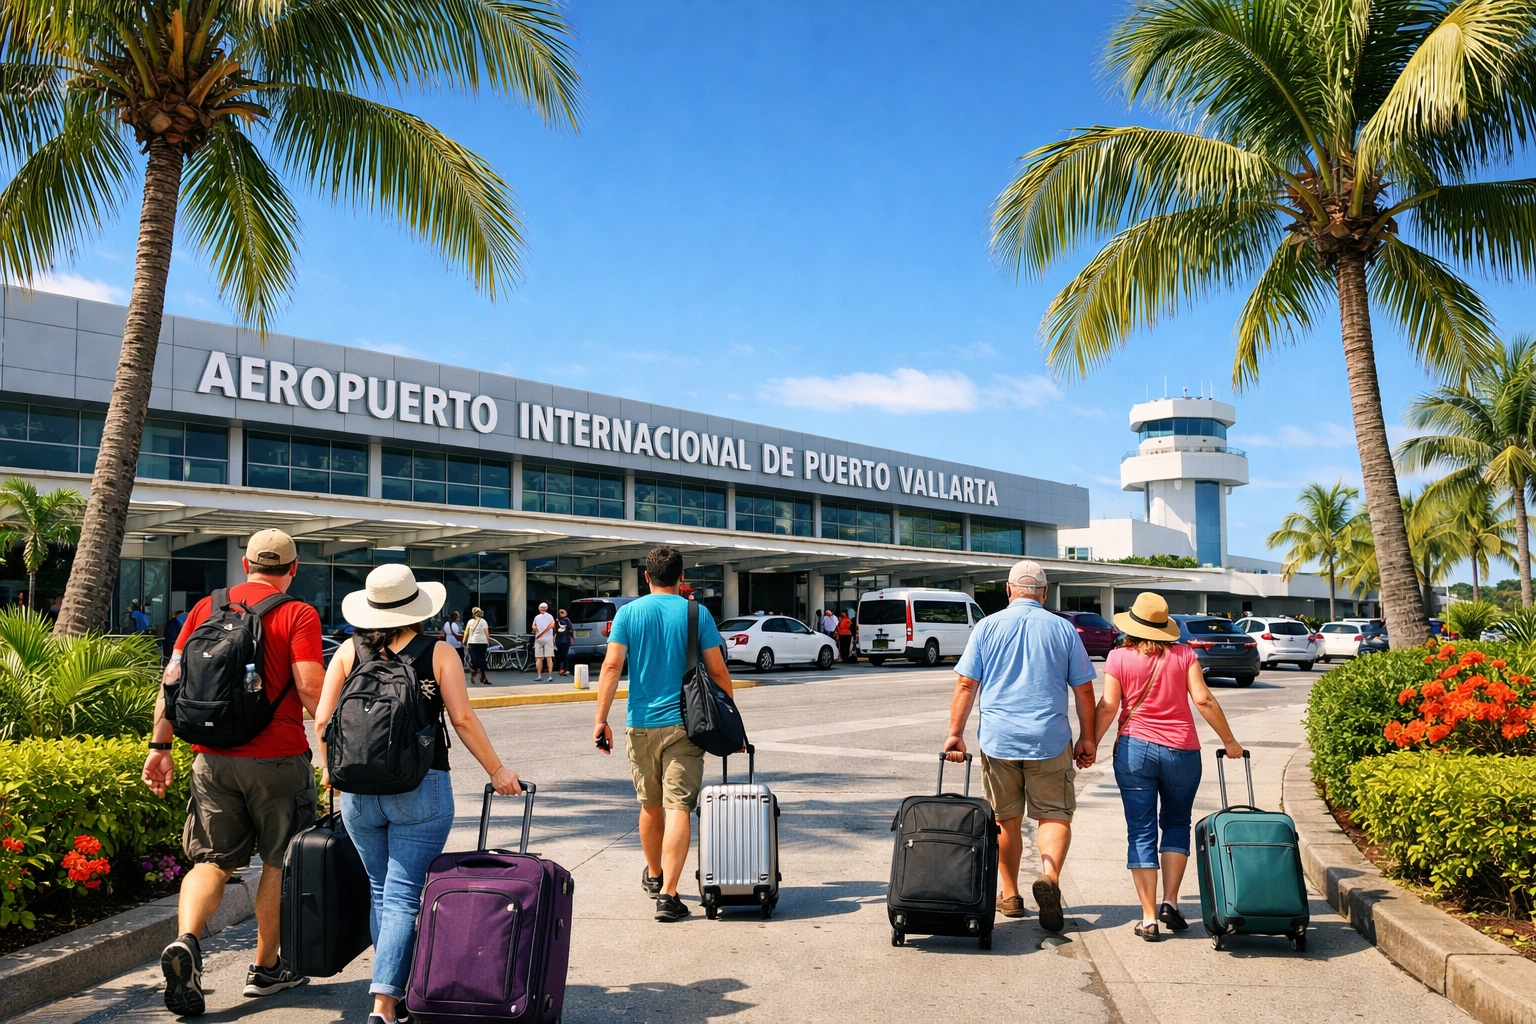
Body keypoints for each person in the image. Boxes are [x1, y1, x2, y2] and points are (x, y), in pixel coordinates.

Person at [315, 564, 523, 1024]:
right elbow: (463, 719)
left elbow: (323, 721)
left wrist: (330, 772)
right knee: (406, 894)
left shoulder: (349, 651)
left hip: (356, 792)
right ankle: (385, 1004)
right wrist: (497, 770)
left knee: (381, 890)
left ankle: (394, 992)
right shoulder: (439, 651)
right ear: (417, 608)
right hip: (420, 785)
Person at [141, 530, 324, 1016]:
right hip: (278, 761)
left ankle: (187, 941)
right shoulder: (297, 613)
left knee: (212, 861)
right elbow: (311, 690)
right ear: (293, 568)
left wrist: (160, 746)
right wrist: (334, 748)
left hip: (212, 758)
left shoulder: (207, 607)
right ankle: (267, 971)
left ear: (245, 564)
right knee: (279, 862)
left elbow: (172, 682)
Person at [943, 559, 1096, 932]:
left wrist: (955, 733)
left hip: (1000, 740)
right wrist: (1087, 737)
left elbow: (966, 685)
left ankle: (1009, 895)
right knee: (1054, 814)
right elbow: (1085, 689)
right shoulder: (1063, 629)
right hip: (1050, 738)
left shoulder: (987, 627)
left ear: (1009, 591)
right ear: (1044, 593)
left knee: (1004, 818)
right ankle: (1050, 877)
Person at [593, 545, 736, 922]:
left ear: (646, 577)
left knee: (650, 804)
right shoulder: (697, 613)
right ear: (681, 577)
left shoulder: (628, 613)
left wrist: (600, 720)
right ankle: (669, 897)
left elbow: (611, 667)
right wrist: (730, 720)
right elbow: (718, 673)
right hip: (685, 726)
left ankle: (655, 875)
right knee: (678, 808)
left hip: (639, 724)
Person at [1094, 592, 1245, 941]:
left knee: (1141, 830)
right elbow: (1204, 698)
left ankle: (1148, 919)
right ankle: (1170, 903)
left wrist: (1090, 743)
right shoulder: (1184, 655)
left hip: (1134, 752)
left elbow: (1108, 706)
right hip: (1182, 752)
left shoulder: (1117, 658)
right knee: (1176, 823)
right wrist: (1230, 742)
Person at [464, 606, 491, 685]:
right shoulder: (483, 621)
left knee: (474, 660)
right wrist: (488, 641)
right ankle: (485, 677)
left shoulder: (470, 622)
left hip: (472, 643)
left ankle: (475, 671)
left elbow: (466, 632)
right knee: (482, 659)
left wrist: (464, 641)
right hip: (482, 643)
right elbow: (487, 632)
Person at [532, 602, 556, 681]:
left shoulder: (537, 617)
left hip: (539, 639)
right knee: (549, 657)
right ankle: (550, 676)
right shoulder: (550, 617)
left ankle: (539, 675)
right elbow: (554, 627)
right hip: (548, 639)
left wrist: (535, 629)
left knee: (539, 658)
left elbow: (533, 627)